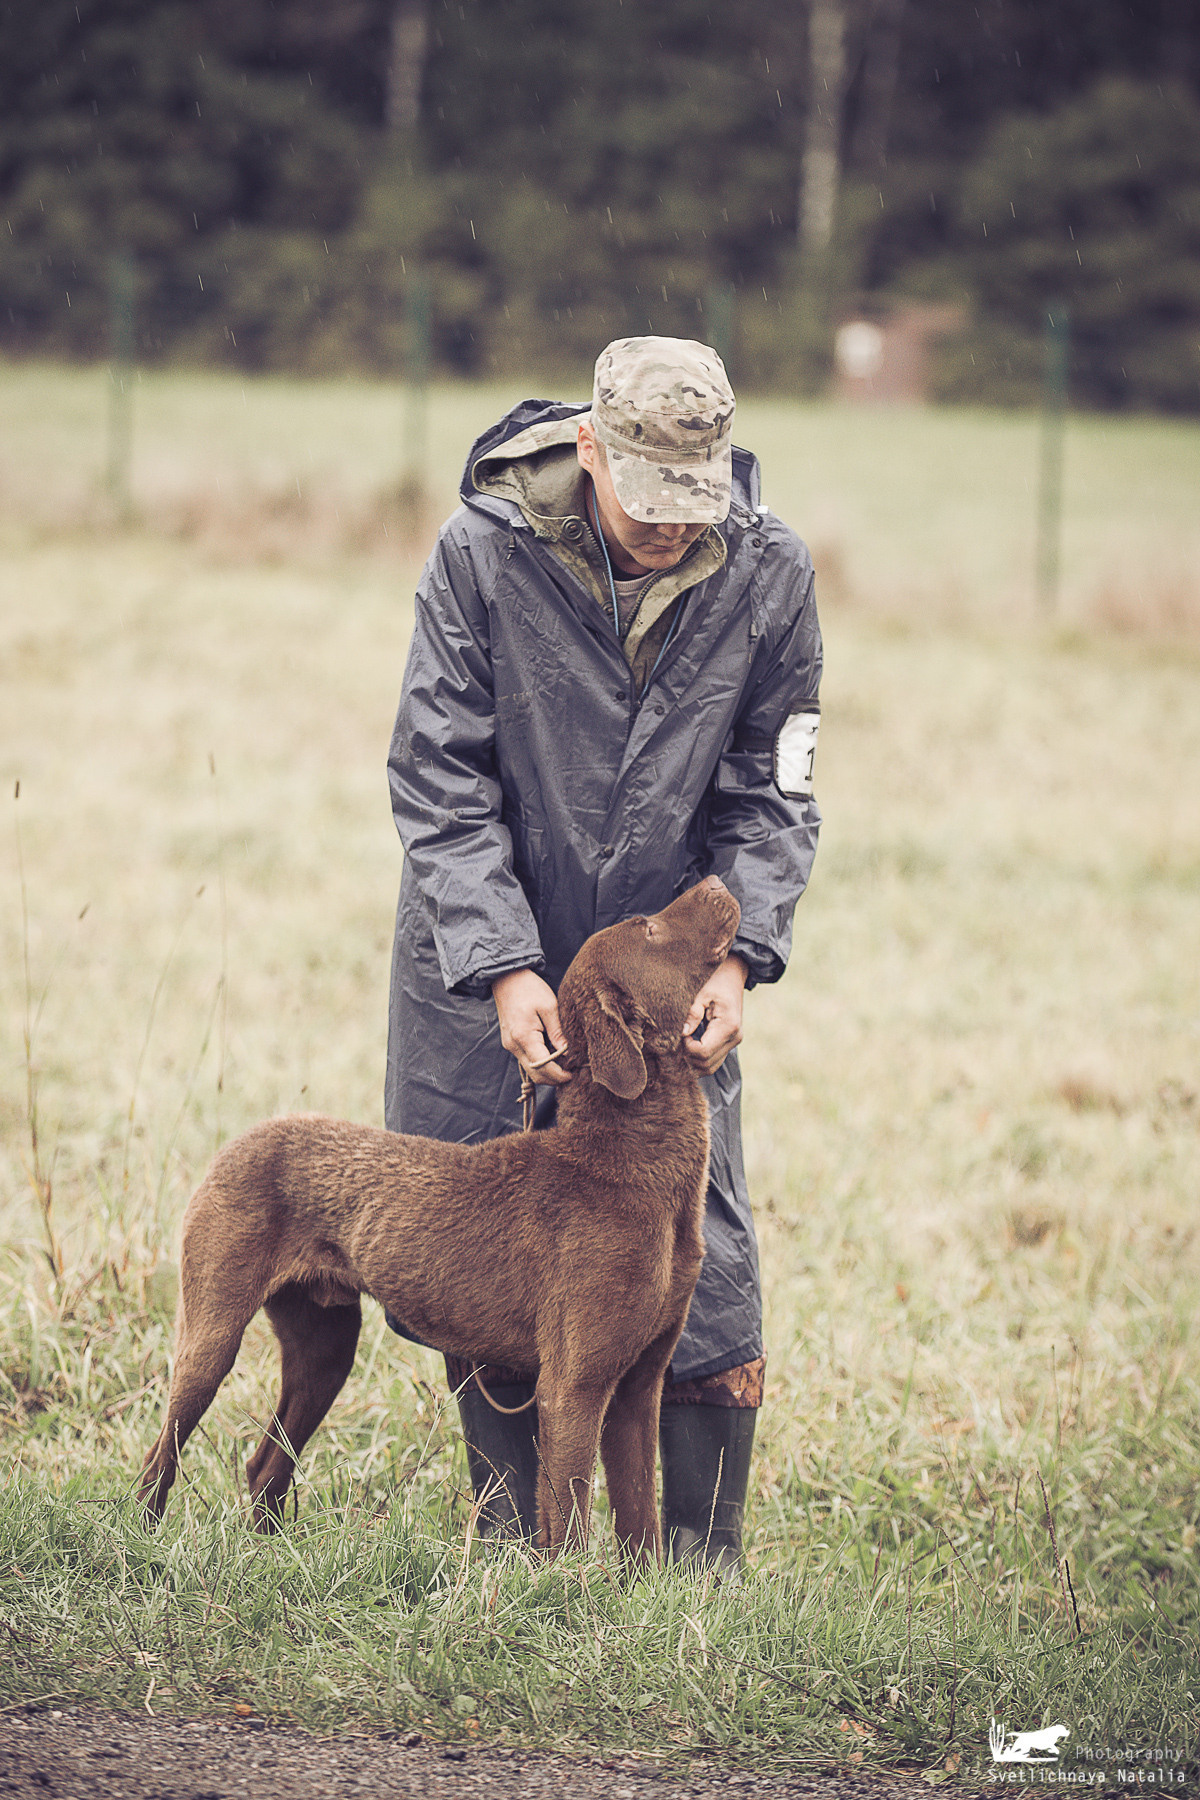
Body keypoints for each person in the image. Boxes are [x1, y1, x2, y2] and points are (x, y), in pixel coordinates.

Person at [384, 336, 821, 1574]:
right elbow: (438, 775)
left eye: (699, 503)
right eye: (650, 502)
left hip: (657, 986)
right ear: (589, 449)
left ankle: (687, 1562)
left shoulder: (770, 571)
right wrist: (503, 961)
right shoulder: (481, 553)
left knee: (696, 1238)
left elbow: (773, 794)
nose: (677, 527)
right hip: (490, 967)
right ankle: (518, 1538)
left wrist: (744, 960)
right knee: (484, 1231)